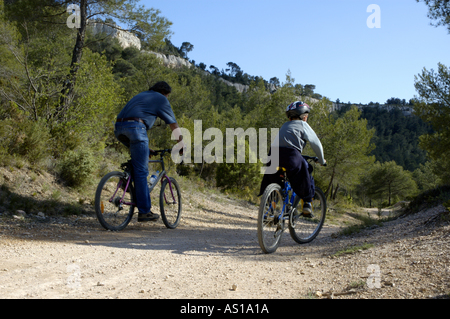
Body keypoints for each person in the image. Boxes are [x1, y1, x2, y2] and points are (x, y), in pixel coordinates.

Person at [115, 81, 183, 222]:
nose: (167, 99)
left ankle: (126, 180)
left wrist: (146, 148)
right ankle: (144, 212)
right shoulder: (161, 99)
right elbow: (173, 124)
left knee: (137, 161)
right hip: (136, 128)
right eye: (168, 96)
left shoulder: (142, 95)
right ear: (164, 93)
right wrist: (181, 143)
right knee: (142, 171)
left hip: (119, 127)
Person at [259, 101, 326, 216]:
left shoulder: (284, 126)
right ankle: (307, 203)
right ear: (304, 117)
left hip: (272, 155)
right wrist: (322, 159)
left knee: (274, 181)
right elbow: (316, 143)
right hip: (291, 156)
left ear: (290, 118)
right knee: (307, 170)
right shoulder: (303, 125)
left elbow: (282, 145)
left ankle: (270, 209)